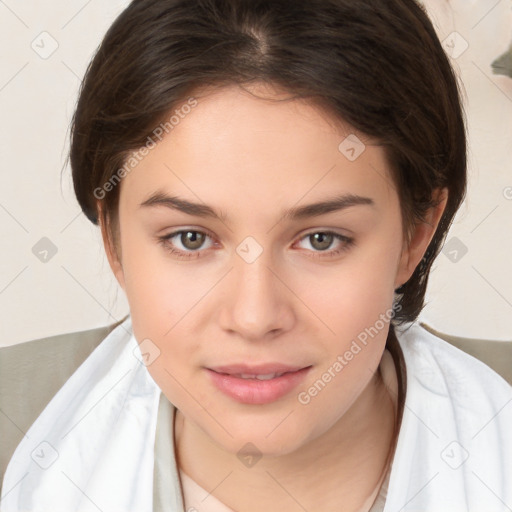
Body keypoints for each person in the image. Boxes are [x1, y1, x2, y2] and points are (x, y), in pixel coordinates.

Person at [1, 0, 511, 511]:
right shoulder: (14, 425)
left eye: (321, 239)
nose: (253, 318)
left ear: (416, 233)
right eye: (191, 238)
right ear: (113, 238)